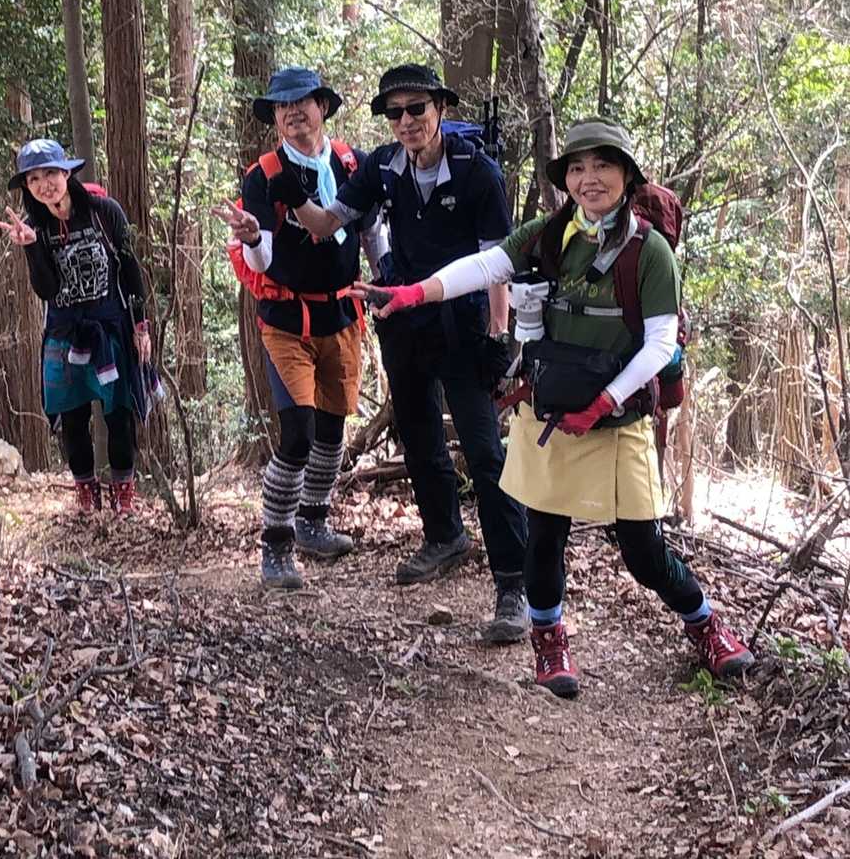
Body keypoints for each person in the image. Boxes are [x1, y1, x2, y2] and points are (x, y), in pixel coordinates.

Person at [358, 116, 755, 697]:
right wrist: (415, 292)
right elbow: (484, 267)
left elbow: (660, 344)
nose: (589, 178)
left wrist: (603, 402)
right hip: (548, 415)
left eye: (603, 166)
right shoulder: (547, 235)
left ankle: (706, 626)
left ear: (627, 175)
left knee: (644, 550)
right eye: (578, 167)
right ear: (565, 178)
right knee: (544, 537)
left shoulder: (649, 251)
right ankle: (549, 643)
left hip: (616, 419)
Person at [277, 63, 529, 644]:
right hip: (404, 319)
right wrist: (288, 193)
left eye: (417, 108)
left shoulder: (478, 173)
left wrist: (500, 338)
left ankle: (514, 584)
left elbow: (500, 265)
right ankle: (444, 536)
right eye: (395, 112)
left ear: (440, 108)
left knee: (485, 452)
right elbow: (327, 224)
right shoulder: (382, 168)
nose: (407, 121)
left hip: (464, 326)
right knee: (418, 436)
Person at [215, 66, 386, 592]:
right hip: (287, 320)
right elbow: (262, 260)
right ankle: (276, 543)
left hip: (342, 314)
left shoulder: (351, 163)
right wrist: (251, 236)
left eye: (301, 103)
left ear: (322, 108)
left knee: (332, 429)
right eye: (281, 107)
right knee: (297, 435)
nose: (292, 113)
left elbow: (370, 233)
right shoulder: (263, 176)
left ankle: (314, 521)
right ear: (274, 118)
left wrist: (388, 285)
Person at [0, 138, 151, 516]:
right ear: (27, 187)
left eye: (50, 173)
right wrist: (32, 247)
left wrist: (141, 327)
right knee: (73, 418)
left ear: (67, 173)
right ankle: (86, 497)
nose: (44, 184)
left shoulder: (104, 212)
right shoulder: (34, 226)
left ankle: (123, 498)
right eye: (34, 179)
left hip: (110, 328)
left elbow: (130, 270)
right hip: (64, 334)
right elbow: (47, 290)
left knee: (118, 414)